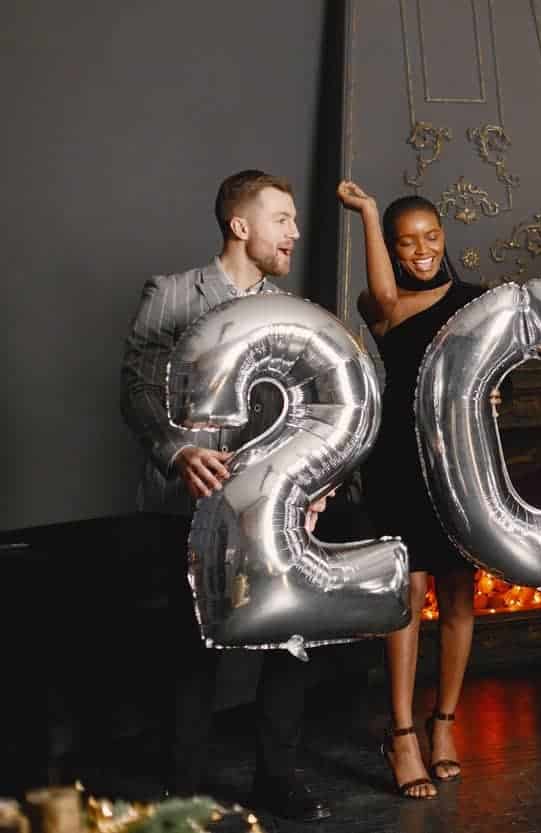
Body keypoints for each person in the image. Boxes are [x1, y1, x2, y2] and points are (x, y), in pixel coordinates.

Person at [120, 169, 330, 821]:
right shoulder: (174, 292)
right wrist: (179, 451)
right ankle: (183, 787)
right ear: (241, 225)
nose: (295, 231)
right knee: (191, 649)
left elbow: (312, 408)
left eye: (295, 220)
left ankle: (277, 776)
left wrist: (315, 480)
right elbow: (139, 386)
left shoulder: (289, 311)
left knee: (288, 637)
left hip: (269, 508)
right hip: (186, 507)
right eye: (283, 218)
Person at [336, 180, 485, 800]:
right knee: (408, 593)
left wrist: (491, 389)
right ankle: (400, 734)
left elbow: (494, 361)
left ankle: (443, 724)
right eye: (407, 243)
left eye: (430, 237)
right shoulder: (388, 306)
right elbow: (382, 294)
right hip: (400, 460)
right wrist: (370, 214)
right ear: (393, 250)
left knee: (457, 595)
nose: (421, 250)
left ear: (443, 238)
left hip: (461, 461)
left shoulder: (477, 300)